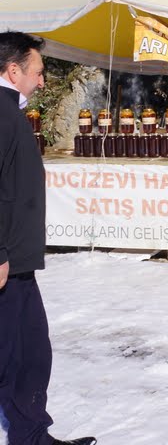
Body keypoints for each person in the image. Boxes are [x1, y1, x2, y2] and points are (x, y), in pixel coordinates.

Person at [0, 32, 96, 445]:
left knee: (30, 353)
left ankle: (31, 434)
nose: (42, 82)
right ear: (13, 69)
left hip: (17, 260)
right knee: (14, 354)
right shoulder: (0, 114)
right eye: (38, 72)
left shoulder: (9, 112)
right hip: (6, 259)